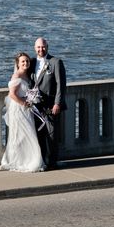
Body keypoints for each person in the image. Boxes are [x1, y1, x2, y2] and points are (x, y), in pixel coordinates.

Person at [0, 52, 45, 172]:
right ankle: (20, 160)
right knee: (20, 135)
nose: (25, 63)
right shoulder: (16, 76)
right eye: (23, 61)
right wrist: (25, 103)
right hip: (18, 110)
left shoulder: (27, 75)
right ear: (18, 64)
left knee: (27, 135)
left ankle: (28, 159)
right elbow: (12, 95)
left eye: (27, 61)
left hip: (26, 110)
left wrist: (31, 99)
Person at [29, 37, 66, 169]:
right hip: (37, 106)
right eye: (38, 47)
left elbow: (61, 86)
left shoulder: (56, 62)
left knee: (52, 134)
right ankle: (42, 161)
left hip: (51, 106)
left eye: (43, 46)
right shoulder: (31, 63)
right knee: (39, 134)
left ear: (47, 47)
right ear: (35, 48)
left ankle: (52, 162)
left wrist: (57, 104)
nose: (41, 49)